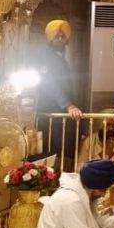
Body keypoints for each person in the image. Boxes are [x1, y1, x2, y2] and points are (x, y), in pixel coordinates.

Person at [33, 19, 83, 163]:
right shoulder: (45, 56)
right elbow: (49, 83)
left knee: (62, 153)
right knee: (50, 154)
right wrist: (68, 105)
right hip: (50, 115)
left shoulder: (59, 57)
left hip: (60, 116)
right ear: (50, 38)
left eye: (63, 37)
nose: (60, 39)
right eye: (57, 36)